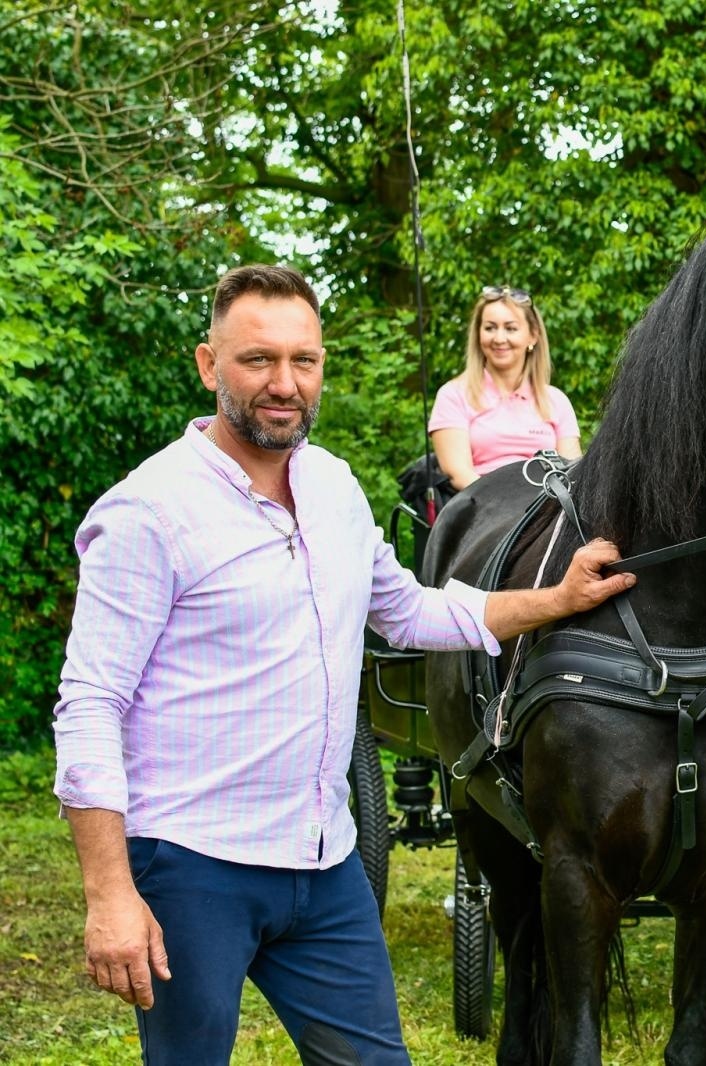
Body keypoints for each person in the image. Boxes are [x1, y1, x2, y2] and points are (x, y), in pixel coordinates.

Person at [52, 265, 635, 1065]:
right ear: (208, 365)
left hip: (324, 864)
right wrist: (110, 893)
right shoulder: (149, 511)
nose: (284, 383)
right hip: (192, 866)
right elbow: (89, 702)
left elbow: (411, 611)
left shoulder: (330, 485)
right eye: (257, 359)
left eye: (305, 360)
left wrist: (556, 598)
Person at [429, 286, 581, 492]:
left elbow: (570, 472)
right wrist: (508, 504)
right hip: (480, 508)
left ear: (532, 336)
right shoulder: (453, 395)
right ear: (478, 334)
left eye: (510, 328)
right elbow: (458, 473)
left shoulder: (556, 401)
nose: (499, 338)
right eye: (490, 328)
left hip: (545, 508)